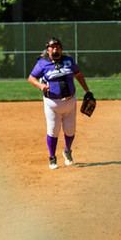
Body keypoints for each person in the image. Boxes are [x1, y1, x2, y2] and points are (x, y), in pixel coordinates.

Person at [28, 37, 92, 169]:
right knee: (53, 131)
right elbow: (31, 78)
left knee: (70, 130)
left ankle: (67, 151)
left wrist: (87, 91)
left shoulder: (68, 60)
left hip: (70, 102)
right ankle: (52, 157)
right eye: (53, 47)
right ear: (48, 50)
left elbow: (78, 75)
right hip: (52, 104)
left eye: (58, 47)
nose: (56, 49)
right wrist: (40, 86)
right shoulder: (42, 63)